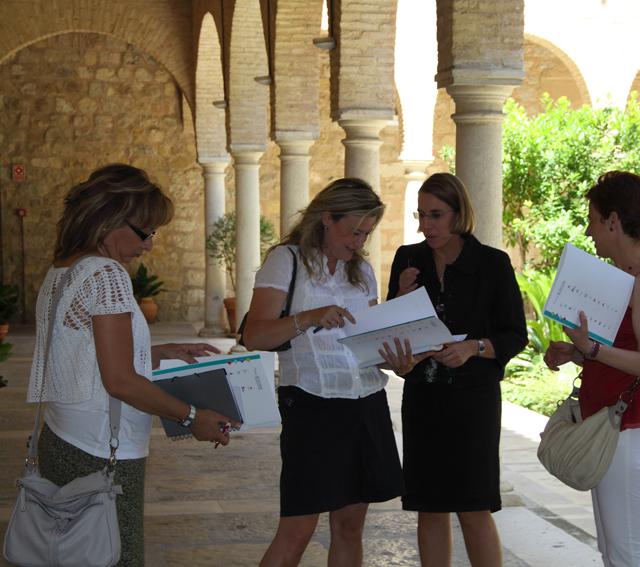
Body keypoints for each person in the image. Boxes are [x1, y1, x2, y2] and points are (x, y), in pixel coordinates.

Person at [27, 164, 236, 567]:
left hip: (62, 439)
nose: (150, 245)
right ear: (109, 219)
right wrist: (193, 417)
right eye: (146, 232)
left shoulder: (63, 269)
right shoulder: (107, 274)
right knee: (113, 557)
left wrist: (156, 353)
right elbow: (120, 381)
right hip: (100, 452)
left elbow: (82, 354)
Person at [243, 178, 403, 567]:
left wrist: (396, 359)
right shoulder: (287, 260)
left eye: (366, 233)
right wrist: (308, 318)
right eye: (353, 231)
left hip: (365, 403)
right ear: (327, 218)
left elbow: (365, 341)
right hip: (312, 408)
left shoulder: (360, 270)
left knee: (350, 528)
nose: (359, 242)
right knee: (297, 530)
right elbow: (255, 335)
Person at [380, 172, 527, 567]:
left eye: (436, 215)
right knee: (429, 507)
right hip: (423, 399)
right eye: (421, 215)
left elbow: (515, 335)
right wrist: (399, 298)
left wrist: (473, 348)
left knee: (473, 507)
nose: (426, 225)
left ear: (459, 215)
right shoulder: (408, 259)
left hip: (473, 403)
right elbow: (391, 332)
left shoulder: (493, 264)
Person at [544, 171, 640, 567]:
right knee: (614, 554)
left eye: (594, 219)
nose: (589, 229)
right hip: (610, 425)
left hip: (630, 428)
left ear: (614, 221)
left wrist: (592, 348)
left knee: (629, 556)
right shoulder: (620, 277)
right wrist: (575, 352)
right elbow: (615, 353)